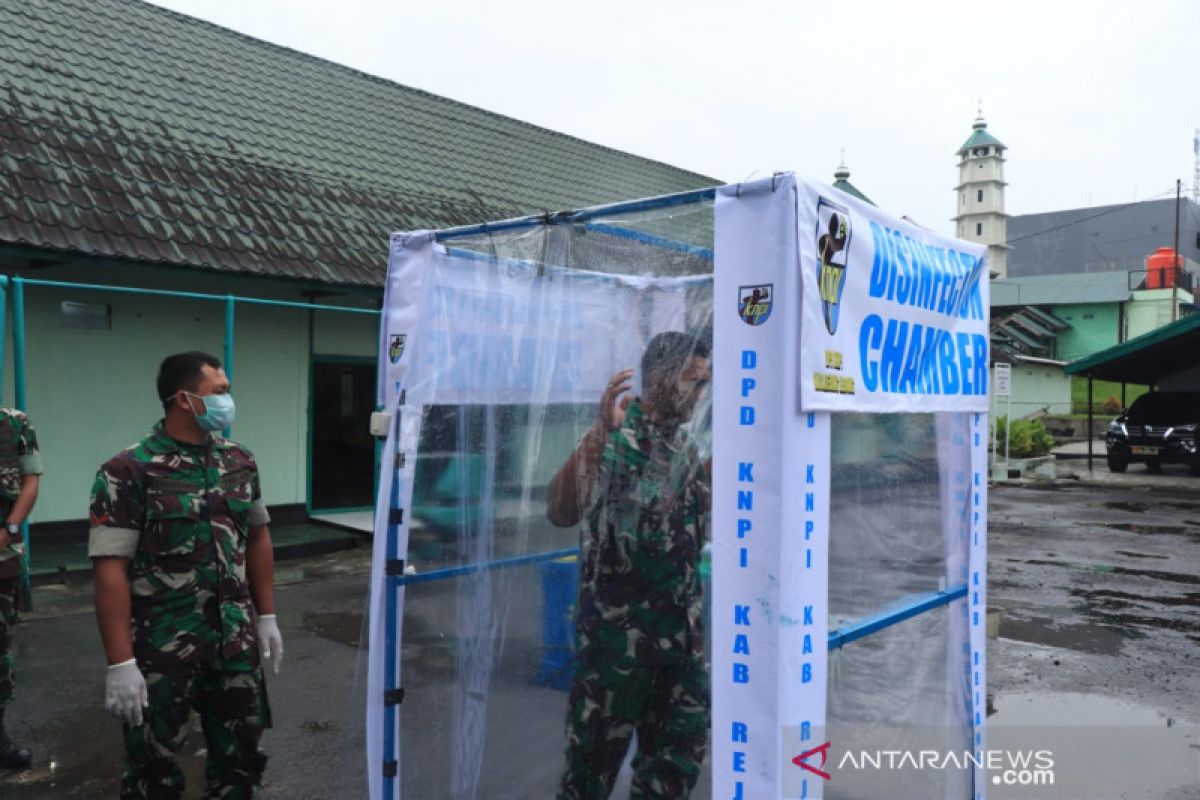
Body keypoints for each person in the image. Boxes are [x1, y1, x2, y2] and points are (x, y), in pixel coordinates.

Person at [88, 351, 283, 799]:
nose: (228, 400)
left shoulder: (240, 460)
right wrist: (120, 663)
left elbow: (257, 537)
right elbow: (110, 569)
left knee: (240, 760)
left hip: (234, 639)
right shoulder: (128, 470)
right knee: (153, 768)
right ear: (184, 399)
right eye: (219, 391)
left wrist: (267, 616)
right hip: (162, 646)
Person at [548, 331, 712, 799]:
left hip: (680, 653)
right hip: (616, 658)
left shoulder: (685, 450)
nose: (699, 395)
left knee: (672, 776)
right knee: (588, 781)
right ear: (658, 379)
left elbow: (686, 522)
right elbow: (560, 511)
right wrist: (600, 434)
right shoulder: (616, 435)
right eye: (691, 382)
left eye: (705, 384)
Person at [0, 407, 42, 769]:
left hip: (2, 559)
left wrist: (8, 530)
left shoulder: (15, 424)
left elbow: (30, 480)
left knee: (0, 649)